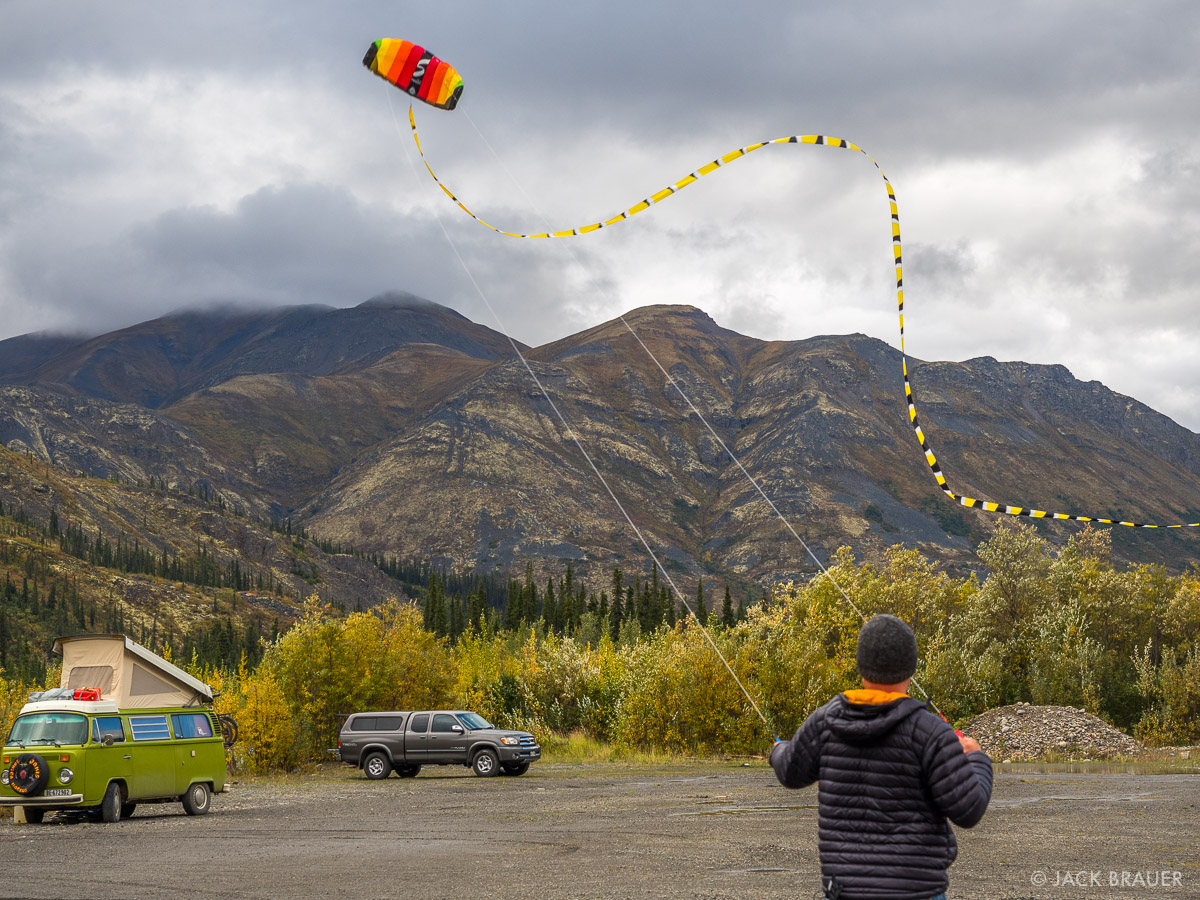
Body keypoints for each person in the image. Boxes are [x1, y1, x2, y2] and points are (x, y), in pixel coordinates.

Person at [770, 613, 993, 900]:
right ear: (911, 669)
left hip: (843, 891)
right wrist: (977, 759)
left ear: (862, 667)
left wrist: (778, 750)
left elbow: (790, 771)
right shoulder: (929, 731)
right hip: (917, 891)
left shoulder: (825, 721)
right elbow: (968, 809)